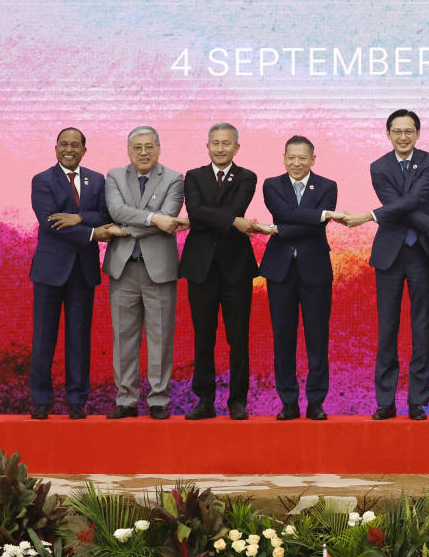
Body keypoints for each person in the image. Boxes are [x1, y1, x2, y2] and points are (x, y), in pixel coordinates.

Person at [340, 110, 429, 420]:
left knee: (422, 327)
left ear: (418, 133)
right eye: (397, 131)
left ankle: (417, 401)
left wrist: (370, 215)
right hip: (391, 253)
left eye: (409, 131)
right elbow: (400, 210)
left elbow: (411, 203)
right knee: (387, 328)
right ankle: (385, 401)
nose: (403, 137)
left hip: (422, 251)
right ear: (388, 134)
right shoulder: (378, 166)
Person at [29, 127, 120, 419]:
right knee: (44, 337)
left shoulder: (97, 179)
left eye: (75, 145)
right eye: (63, 144)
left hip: (83, 270)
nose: (69, 149)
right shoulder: (42, 180)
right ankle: (42, 399)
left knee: (79, 337)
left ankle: (76, 400)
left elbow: (105, 214)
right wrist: (93, 233)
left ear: (84, 149)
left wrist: (79, 217)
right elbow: (51, 223)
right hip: (49, 271)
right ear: (56, 147)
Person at [102, 126, 188, 420]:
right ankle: (126, 399)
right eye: (137, 147)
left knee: (160, 336)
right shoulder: (113, 176)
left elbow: (170, 216)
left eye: (149, 147)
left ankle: (158, 400)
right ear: (128, 150)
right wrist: (154, 218)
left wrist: (128, 226)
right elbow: (115, 211)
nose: (143, 152)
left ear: (158, 148)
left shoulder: (175, 178)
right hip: (123, 269)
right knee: (123, 337)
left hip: (159, 270)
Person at [258, 135, 342, 421]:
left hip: (315, 269)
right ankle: (288, 401)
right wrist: (315, 215)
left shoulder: (328, 186)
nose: (297, 163)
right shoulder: (271, 184)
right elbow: (283, 213)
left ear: (313, 159)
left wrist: (279, 230)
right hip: (280, 270)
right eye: (291, 158)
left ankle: (316, 402)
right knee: (283, 337)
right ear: (283, 158)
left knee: (317, 337)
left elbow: (311, 227)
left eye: (302, 158)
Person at [179, 122, 259, 420]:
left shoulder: (247, 176)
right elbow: (194, 213)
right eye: (216, 143)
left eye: (227, 143)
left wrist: (214, 217)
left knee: (238, 338)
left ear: (236, 147)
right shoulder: (194, 176)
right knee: (203, 336)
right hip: (200, 268)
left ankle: (237, 401)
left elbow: (220, 211)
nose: (221, 148)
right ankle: (205, 400)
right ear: (208, 146)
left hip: (236, 268)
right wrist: (232, 222)